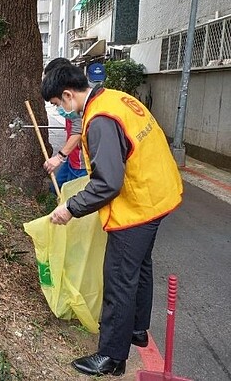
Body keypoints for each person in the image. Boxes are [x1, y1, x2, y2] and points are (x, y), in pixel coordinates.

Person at [41, 64, 183, 376]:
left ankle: (111, 356)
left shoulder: (100, 120)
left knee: (119, 277)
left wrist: (70, 208)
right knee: (140, 266)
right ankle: (136, 329)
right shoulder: (114, 99)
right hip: (159, 193)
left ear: (67, 94)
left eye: (57, 105)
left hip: (138, 206)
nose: (61, 111)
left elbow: (107, 184)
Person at [42, 58, 87, 188]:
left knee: (72, 198)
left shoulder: (77, 105)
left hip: (80, 163)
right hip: (71, 159)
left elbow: (78, 131)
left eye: (55, 104)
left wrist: (59, 157)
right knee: (56, 188)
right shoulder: (69, 104)